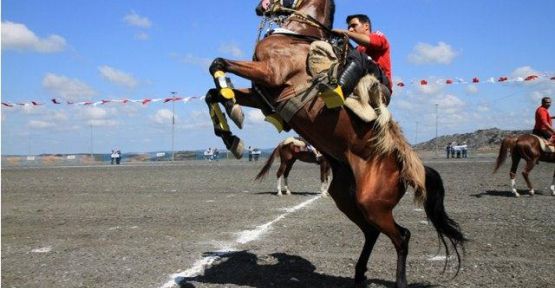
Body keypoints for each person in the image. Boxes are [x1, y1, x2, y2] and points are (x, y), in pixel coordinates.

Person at [322, 14, 392, 105]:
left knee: (358, 55)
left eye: (354, 25)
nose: (350, 29)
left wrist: (344, 33)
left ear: (366, 26)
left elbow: (368, 41)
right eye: (349, 27)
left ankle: (335, 95)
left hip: (382, 86)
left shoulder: (379, 36)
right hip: (359, 82)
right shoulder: (357, 50)